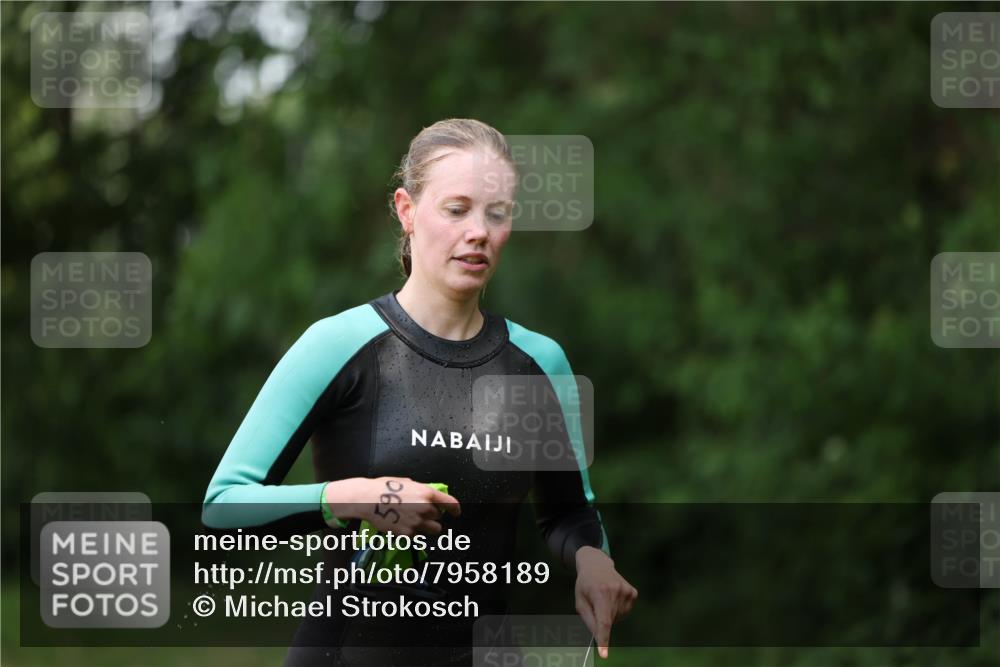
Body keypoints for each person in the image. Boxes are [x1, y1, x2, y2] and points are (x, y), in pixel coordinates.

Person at [202, 118, 637, 666]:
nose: (478, 231)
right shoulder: (338, 345)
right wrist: (362, 497)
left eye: (496, 214)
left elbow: (570, 515)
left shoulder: (538, 364)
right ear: (407, 211)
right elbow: (223, 505)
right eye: (457, 210)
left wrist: (594, 563)